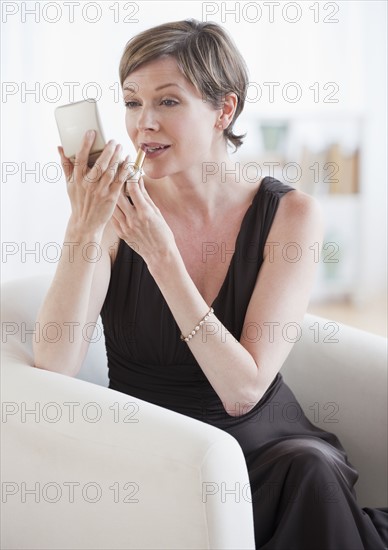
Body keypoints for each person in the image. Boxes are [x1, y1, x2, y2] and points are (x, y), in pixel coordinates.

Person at [34, 19, 387, 550]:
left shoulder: (291, 215)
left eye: (168, 102)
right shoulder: (114, 214)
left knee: (310, 469)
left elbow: (244, 391)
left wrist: (162, 256)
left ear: (224, 110)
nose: (143, 124)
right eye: (131, 103)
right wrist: (82, 224)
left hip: (269, 448)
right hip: (162, 451)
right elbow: (54, 363)